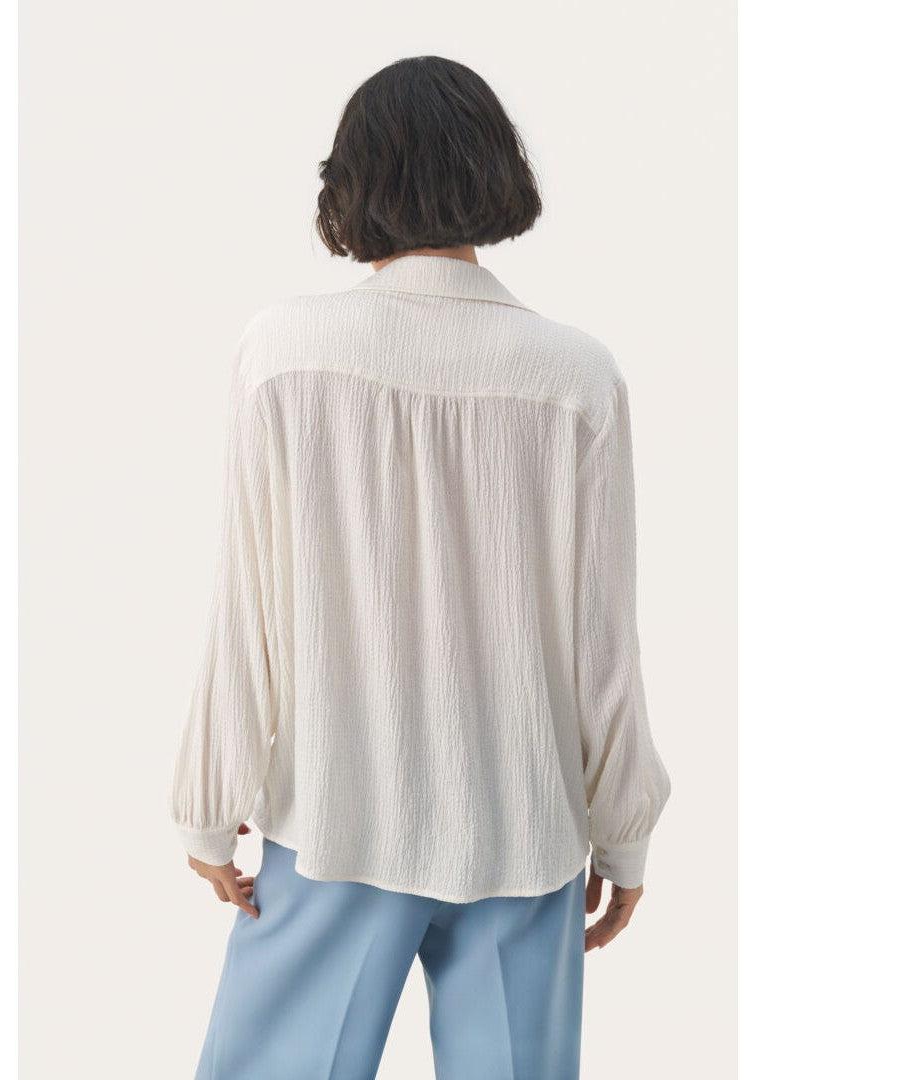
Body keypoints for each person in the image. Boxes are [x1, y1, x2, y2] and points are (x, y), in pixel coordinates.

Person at [171, 55, 670, 1080]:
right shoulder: (577, 377)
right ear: (499, 172)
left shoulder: (284, 354)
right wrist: (623, 833)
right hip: (524, 828)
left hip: (337, 816)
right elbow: (605, 645)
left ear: (351, 182)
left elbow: (246, 609)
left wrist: (208, 807)